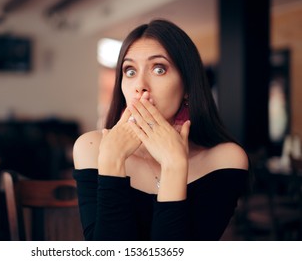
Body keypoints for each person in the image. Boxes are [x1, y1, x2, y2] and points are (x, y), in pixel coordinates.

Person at [72, 19, 249, 241]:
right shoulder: (91, 147)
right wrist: (111, 161)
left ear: (186, 86)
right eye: (129, 71)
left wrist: (174, 166)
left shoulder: (225, 159)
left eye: (159, 69)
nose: (140, 85)